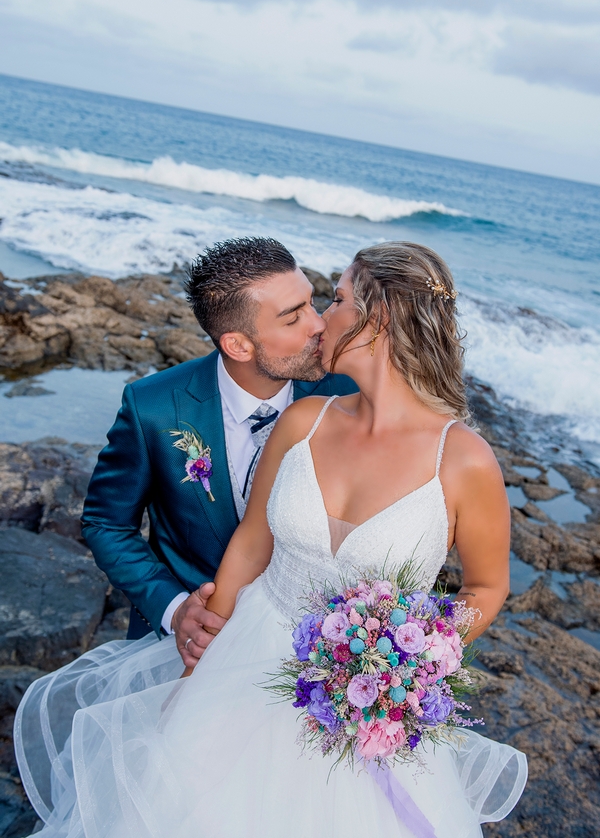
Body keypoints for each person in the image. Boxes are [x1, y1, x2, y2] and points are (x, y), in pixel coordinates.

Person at [15, 242, 527, 838]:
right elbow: (245, 541)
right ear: (239, 343)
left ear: (380, 318)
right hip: (240, 659)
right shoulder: (291, 419)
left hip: (360, 696)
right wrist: (193, 664)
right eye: (301, 311)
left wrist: (410, 660)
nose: (318, 322)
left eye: (329, 300)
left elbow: (487, 585)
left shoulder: (462, 458)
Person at [80, 236, 355, 669]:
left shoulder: (347, 393)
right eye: (292, 318)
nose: (318, 325)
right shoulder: (152, 406)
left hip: (308, 657)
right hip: (186, 650)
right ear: (239, 345)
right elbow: (105, 523)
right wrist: (174, 610)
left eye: (311, 304)